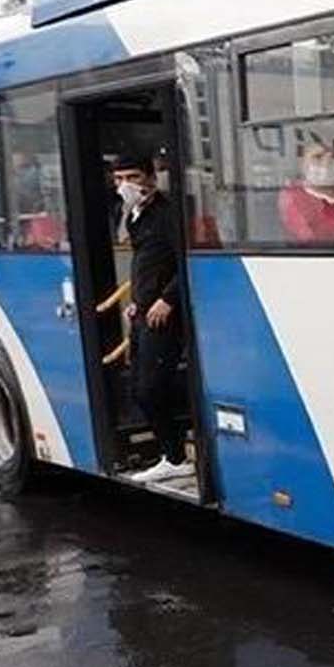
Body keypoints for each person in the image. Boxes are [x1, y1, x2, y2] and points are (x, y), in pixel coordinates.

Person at [113, 154, 188, 467]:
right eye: (118, 179)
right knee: (139, 388)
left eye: (133, 177)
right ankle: (171, 454)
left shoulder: (167, 213)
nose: (125, 185)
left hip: (165, 313)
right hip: (144, 311)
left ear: (151, 179)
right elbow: (147, 266)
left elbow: (186, 260)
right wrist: (137, 302)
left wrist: (168, 299)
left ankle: (175, 458)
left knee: (151, 388)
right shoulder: (134, 215)